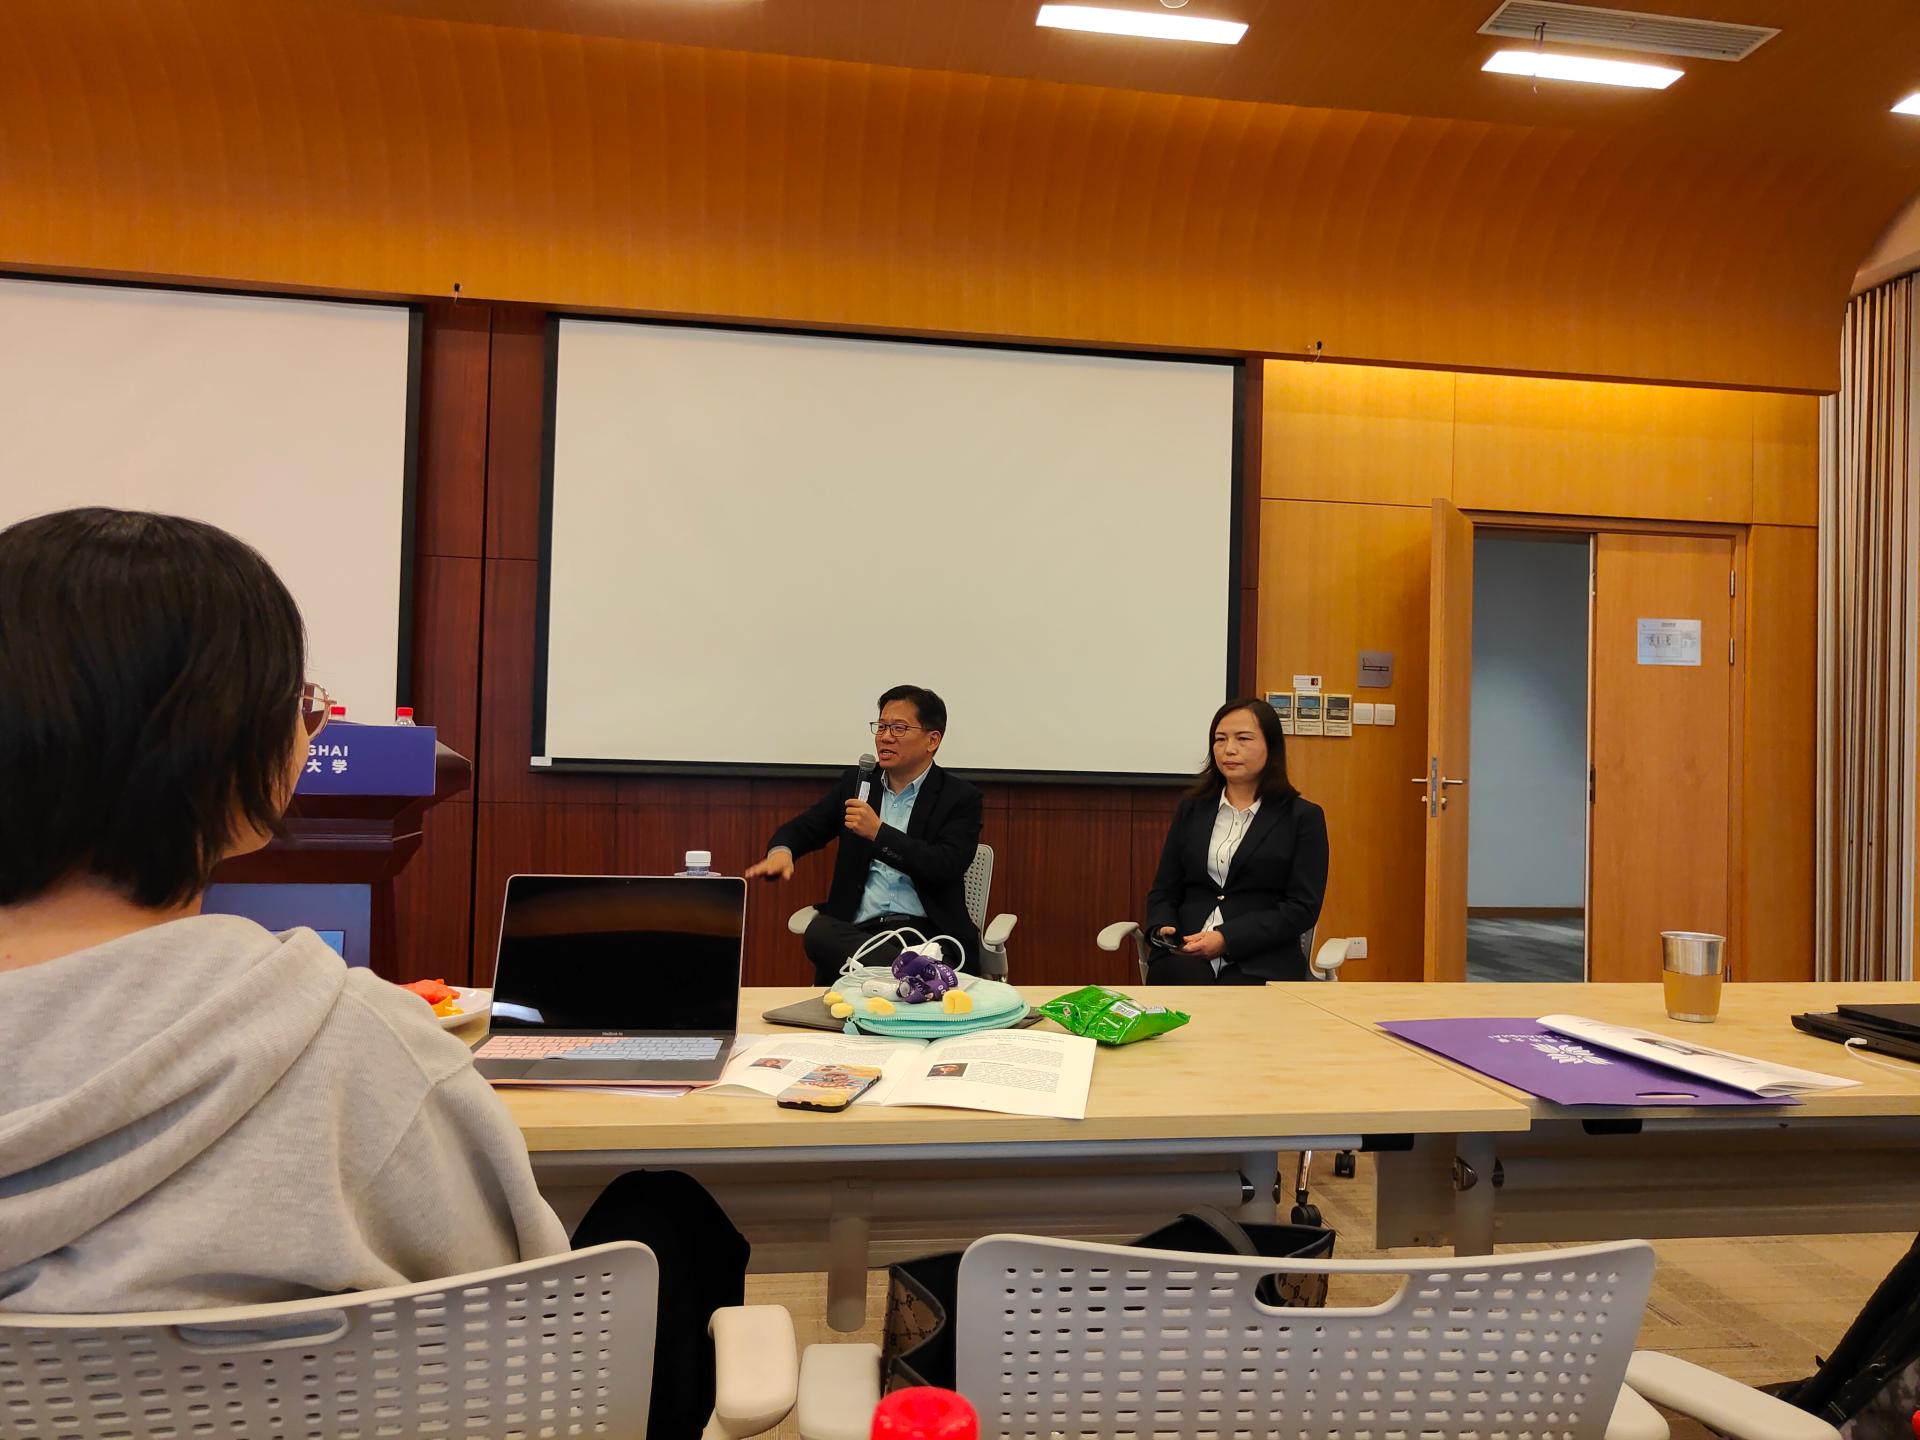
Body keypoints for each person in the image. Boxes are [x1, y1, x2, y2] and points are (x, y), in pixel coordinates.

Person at [0, 508, 742, 1439]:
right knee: (664, 1215)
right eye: (300, 704)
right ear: (237, 748)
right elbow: (520, 1327)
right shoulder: (350, 1039)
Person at [746, 685, 983, 984]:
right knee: (820, 932)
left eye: (898, 728)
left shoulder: (959, 797)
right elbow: (804, 828)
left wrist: (879, 833)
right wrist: (782, 851)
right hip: (859, 934)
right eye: (881, 726)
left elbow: (945, 864)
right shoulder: (858, 785)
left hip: (929, 935)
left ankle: (908, 973)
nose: (885, 737)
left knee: (856, 955)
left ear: (932, 740)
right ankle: (917, 976)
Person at [1143, 697, 1329, 984]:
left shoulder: (1302, 817)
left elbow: (1302, 907)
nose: (1229, 749)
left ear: (1271, 746)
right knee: (1182, 993)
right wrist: (1162, 927)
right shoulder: (1192, 808)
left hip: (1262, 957)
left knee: (1238, 1002)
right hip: (1185, 950)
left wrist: (1227, 939)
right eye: (1220, 739)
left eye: (1243, 738)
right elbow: (1164, 890)